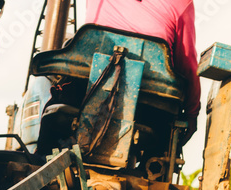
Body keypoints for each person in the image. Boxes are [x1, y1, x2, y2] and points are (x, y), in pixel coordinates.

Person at [86, 0, 201, 136]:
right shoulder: (181, 3)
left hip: (87, 88)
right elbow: (187, 65)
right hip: (150, 106)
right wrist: (191, 113)